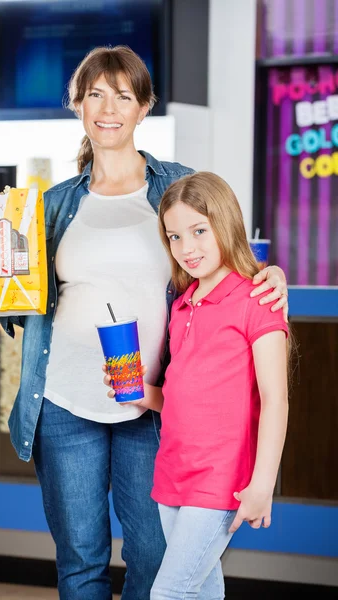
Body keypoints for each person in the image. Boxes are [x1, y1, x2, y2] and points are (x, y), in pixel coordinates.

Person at [0, 46, 288, 600]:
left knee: (153, 557)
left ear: (144, 108)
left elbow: (229, 259)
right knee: (80, 561)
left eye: (123, 95)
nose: (108, 108)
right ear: (78, 106)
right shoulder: (51, 205)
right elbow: (22, 308)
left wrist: (273, 272)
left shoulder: (178, 185)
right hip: (64, 402)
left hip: (151, 402)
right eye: (94, 94)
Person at [105, 171, 289, 600]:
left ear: (225, 223)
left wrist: (263, 484)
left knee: (169, 592)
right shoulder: (183, 305)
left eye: (199, 231)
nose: (187, 248)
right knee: (203, 590)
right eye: (174, 237)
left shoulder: (257, 300)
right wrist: (137, 391)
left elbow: (276, 400)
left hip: (221, 478)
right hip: (173, 473)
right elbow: (179, 399)